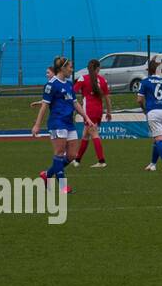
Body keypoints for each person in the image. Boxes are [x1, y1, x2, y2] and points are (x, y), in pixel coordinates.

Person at [32, 56, 96, 193]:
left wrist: (87, 118)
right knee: (59, 152)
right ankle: (63, 186)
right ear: (62, 68)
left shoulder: (68, 84)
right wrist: (37, 125)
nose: (72, 70)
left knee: (72, 155)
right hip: (57, 122)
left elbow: (75, 103)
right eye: (70, 67)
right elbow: (44, 106)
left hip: (69, 123)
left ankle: (47, 175)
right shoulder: (51, 84)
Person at [71, 58, 110, 167]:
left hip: (88, 110)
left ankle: (101, 161)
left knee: (94, 133)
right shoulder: (103, 80)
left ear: (88, 68)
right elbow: (107, 98)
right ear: (98, 68)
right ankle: (77, 160)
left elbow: (72, 92)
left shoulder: (83, 78)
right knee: (85, 135)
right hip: (98, 110)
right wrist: (109, 112)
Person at [139, 57, 162, 172]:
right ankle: (153, 164)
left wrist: (144, 109)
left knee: (159, 139)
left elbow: (139, 99)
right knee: (157, 139)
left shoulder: (145, 81)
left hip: (153, 111)